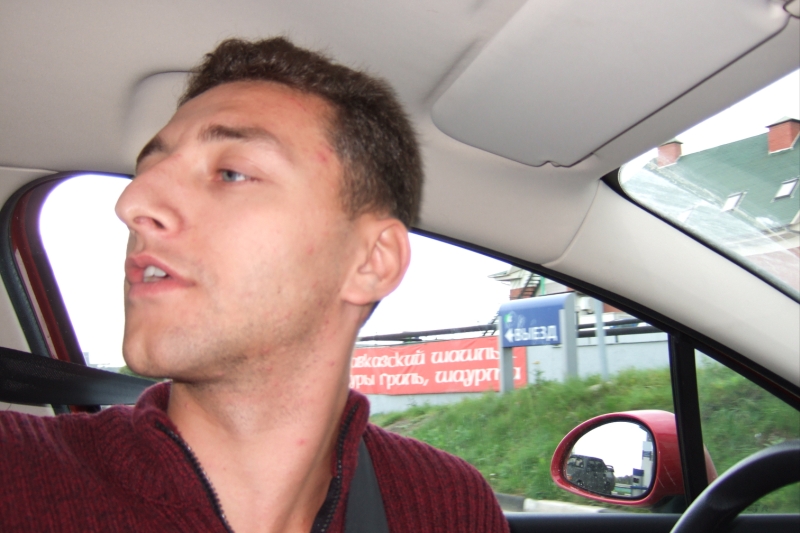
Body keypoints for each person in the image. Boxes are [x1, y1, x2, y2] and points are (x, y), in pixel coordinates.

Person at [0, 38, 509, 532]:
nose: (132, 202)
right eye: (147, 171)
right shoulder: (16, 476)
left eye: (230, 173)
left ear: (371, 262)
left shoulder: (447, 505)